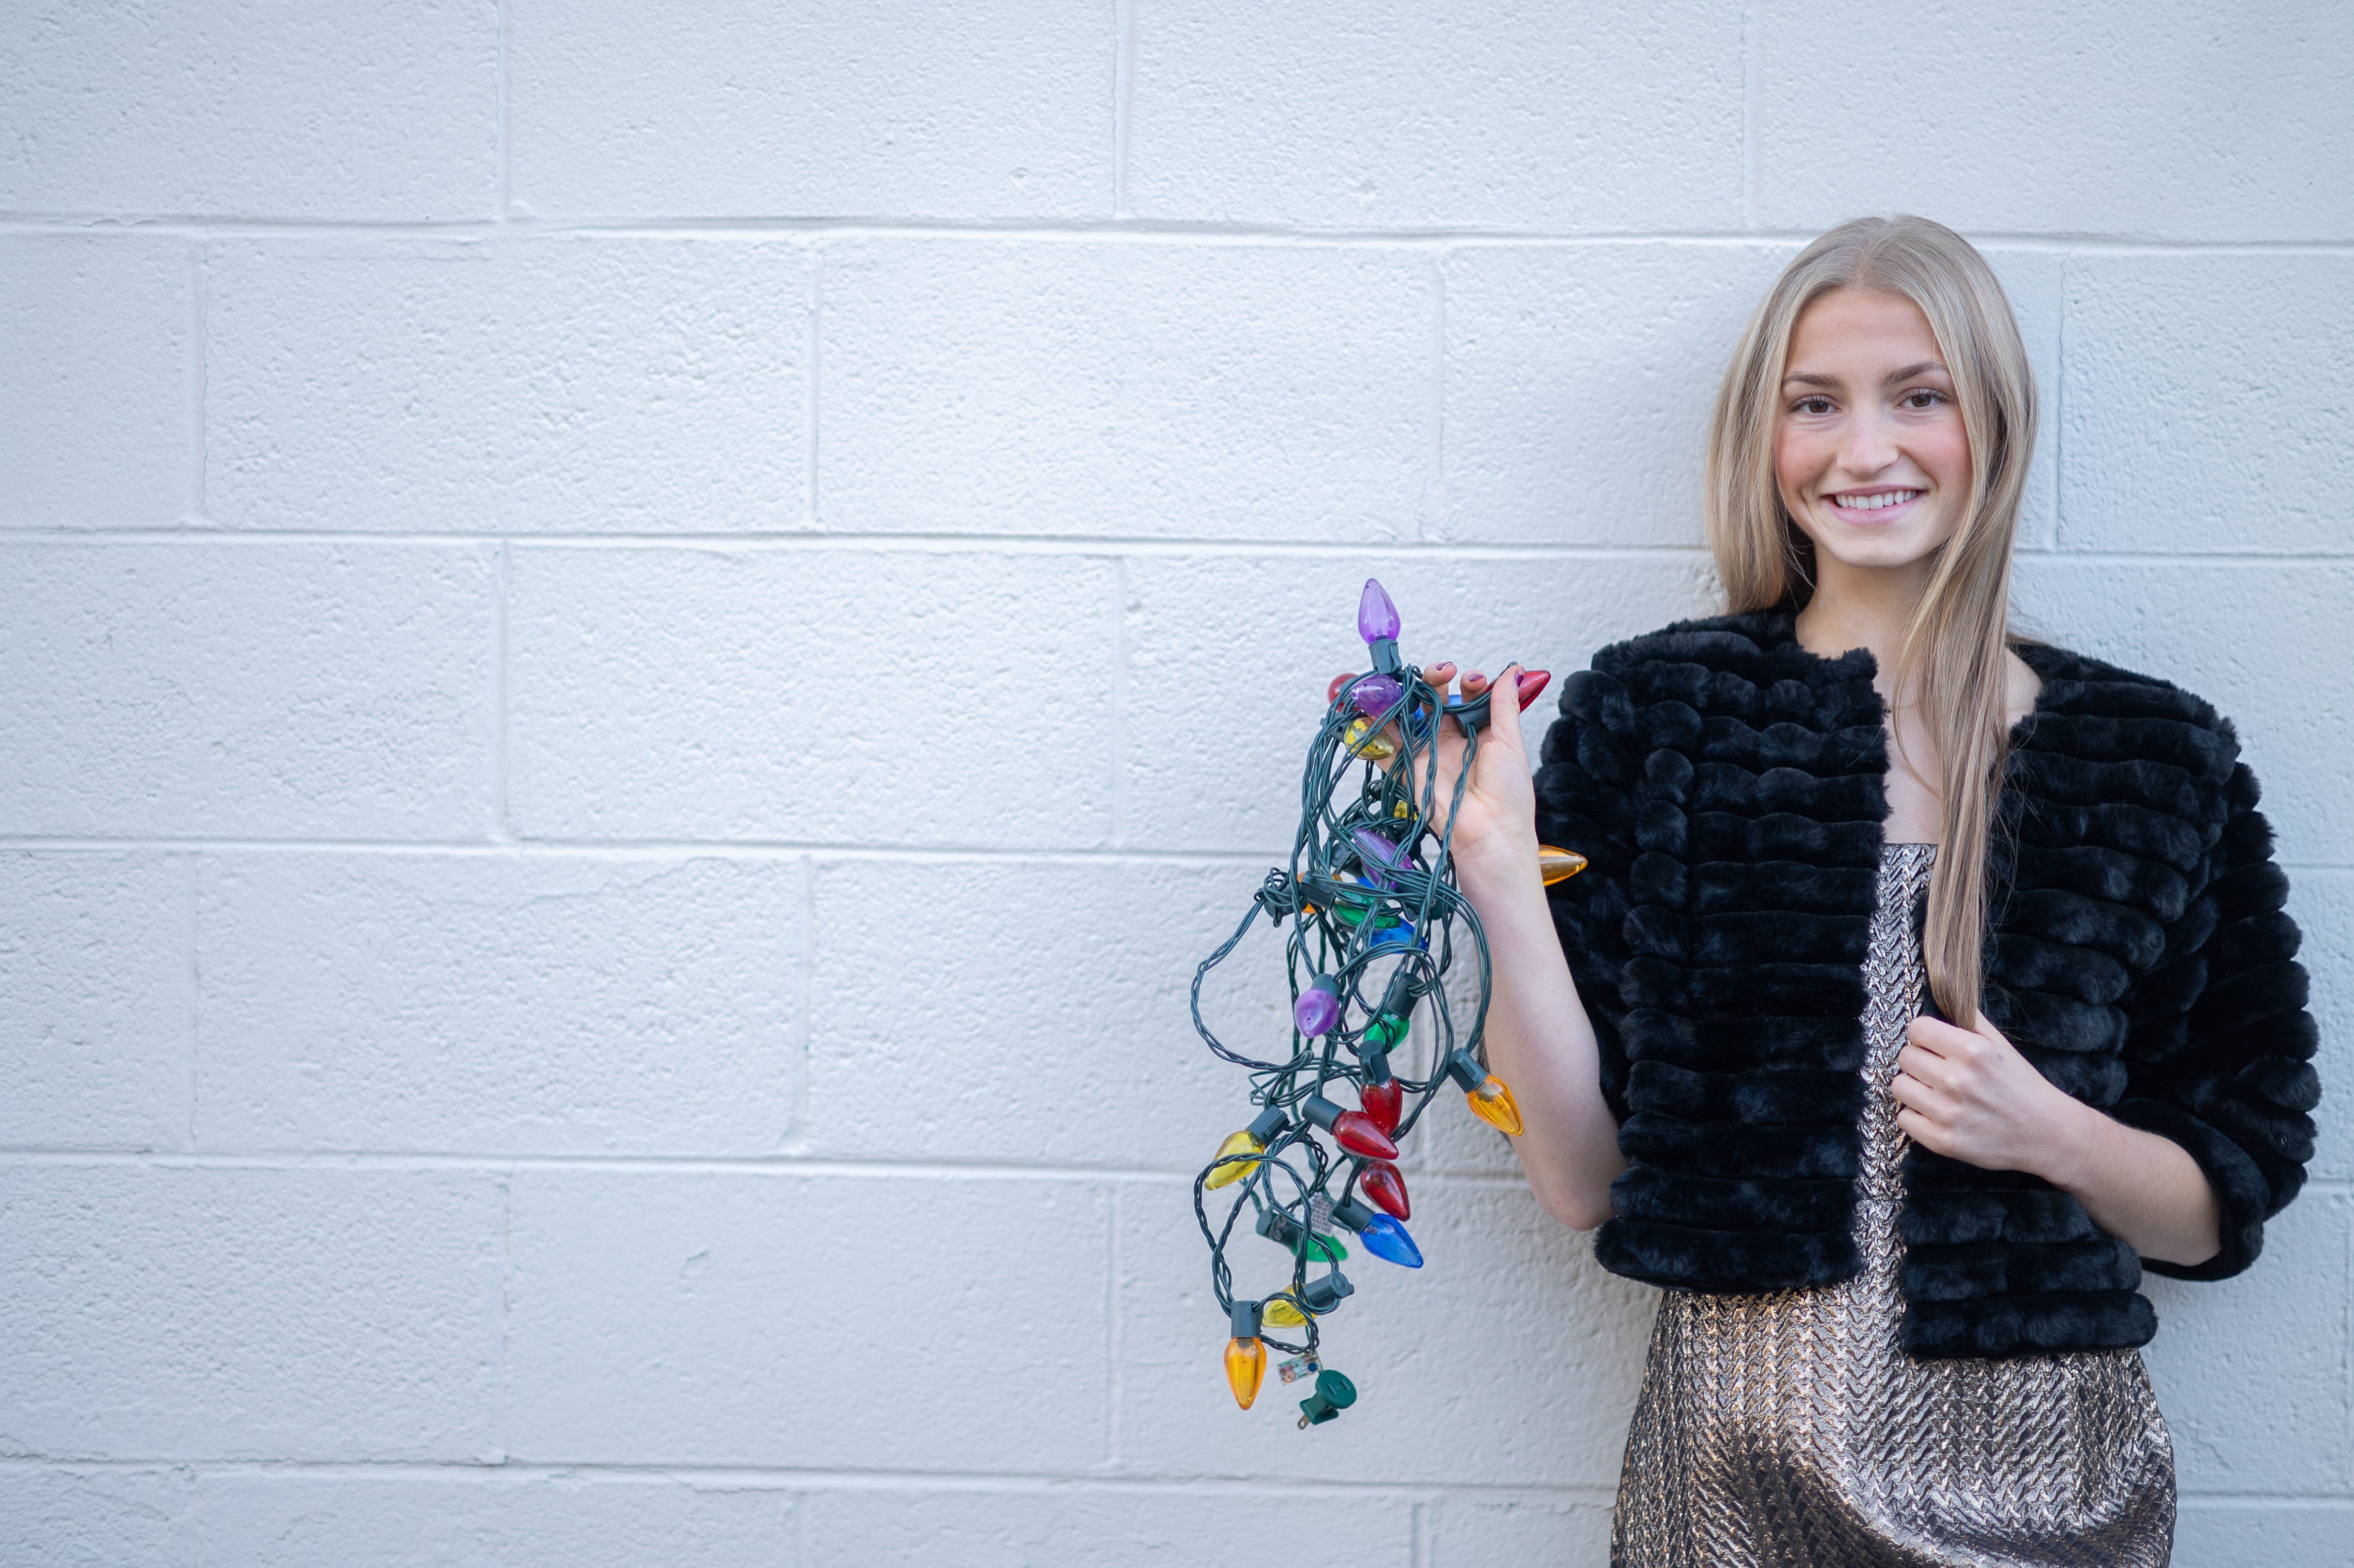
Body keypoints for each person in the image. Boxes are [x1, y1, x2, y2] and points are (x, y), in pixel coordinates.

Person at [1407, 215, 2319, 1565]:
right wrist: (1496, 873)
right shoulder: (1664, 718)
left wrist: (2050, 1131)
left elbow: (2220, 1203)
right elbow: (1581, 1178)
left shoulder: (2154, 758)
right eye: (1814, 403)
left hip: (2051, 1496)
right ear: (1764, 439)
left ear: (1991, 424)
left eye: (1919, 396)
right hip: (1731, 1489)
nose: (1865, 449)